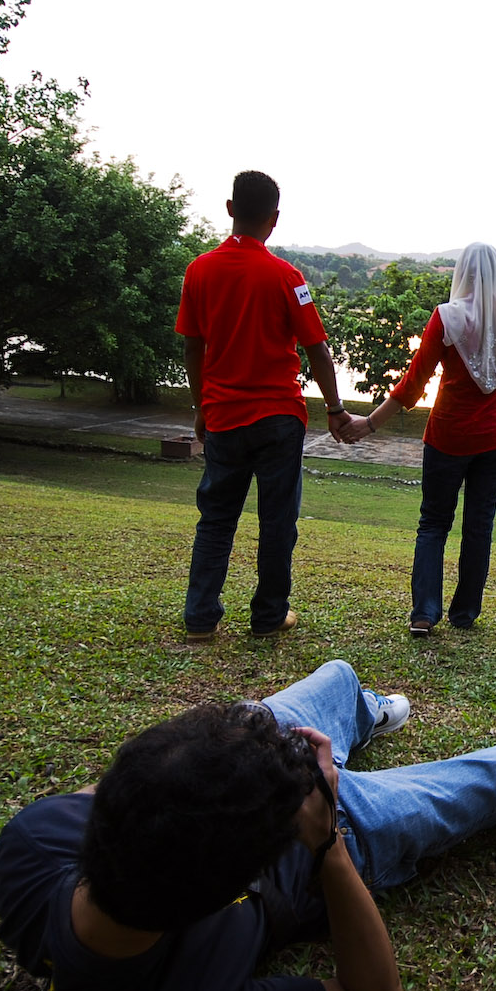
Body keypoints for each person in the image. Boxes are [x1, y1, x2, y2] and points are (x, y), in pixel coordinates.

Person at [0, 660, 496, 991]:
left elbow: (159, 793)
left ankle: (361, 712)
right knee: (492, 782)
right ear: (232, 894)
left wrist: (250, 747)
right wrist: (325, 837)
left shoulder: (32, 843)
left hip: (249, 796)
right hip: (328, 842)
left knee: (337, 676)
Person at [176, 171, 355, 643]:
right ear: (274, 219)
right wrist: (335, 408)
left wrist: (201, 406)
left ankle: (200, 618)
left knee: (216, 517)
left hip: (223, 417)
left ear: (230, 208)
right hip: (278, 418)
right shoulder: (287, 277)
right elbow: (317, 349)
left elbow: (192, 348)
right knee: (277, 523)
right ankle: (269, 616)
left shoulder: (199, 271)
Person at [345, 241, 496, 637]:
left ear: (461, 271)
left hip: (448, 436)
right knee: (479, 526)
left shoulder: (447, 317)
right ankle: (465, 614)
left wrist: (371, 423)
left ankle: (424, 613)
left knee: (433, 524)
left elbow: (414, 383)